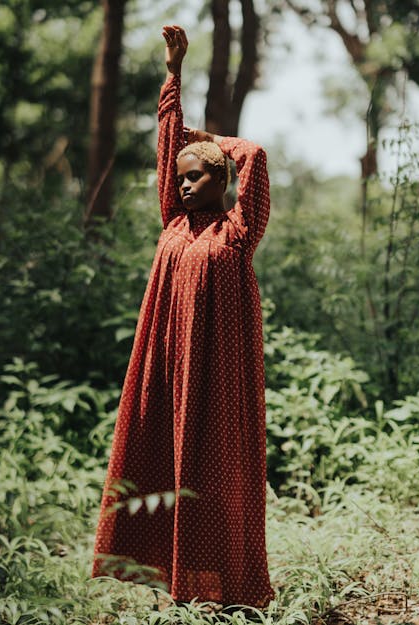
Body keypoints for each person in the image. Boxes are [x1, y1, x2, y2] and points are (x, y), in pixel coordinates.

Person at [91, 24, 274, 609]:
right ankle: (174, 585)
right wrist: (174, 75)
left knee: (215, 475)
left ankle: (230, 592)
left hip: (218, 376)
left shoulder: (237, 231)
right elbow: (168, 143)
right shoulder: (173, 222)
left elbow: (257, 156)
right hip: (167, 366)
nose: (185, 183)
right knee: (160, 463)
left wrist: (210, 140)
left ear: (222, 179)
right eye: (180, 178)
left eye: (197, 176)